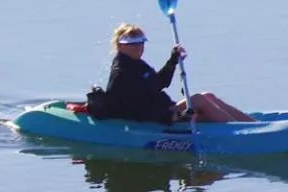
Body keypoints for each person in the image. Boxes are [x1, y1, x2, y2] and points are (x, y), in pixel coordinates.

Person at [99, 24, 253, 124]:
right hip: (157, 116)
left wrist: (172, 60)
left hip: (166, 109)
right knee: (199, 100)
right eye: (132, 44)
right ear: (120, 46)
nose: (138, 47)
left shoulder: (137, 64)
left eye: (141, 42)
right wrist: (168, 116)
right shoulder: (121, 71)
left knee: (208, 96)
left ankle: (254, 124)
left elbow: (158, 84)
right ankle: (241, 133)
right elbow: (121, 105)